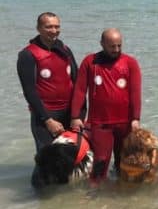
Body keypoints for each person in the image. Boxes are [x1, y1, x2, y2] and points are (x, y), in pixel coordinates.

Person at [17, 13, 81, 185]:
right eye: (49, 27)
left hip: (68, 114)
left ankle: (63, 204)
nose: (54, 31)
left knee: (67, 161)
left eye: (57, 26)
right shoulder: (27, 55)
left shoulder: (65, 50)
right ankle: (38, 199)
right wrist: (47, 120)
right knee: (45, 162)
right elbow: (29, 92)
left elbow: (78, 83)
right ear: (38, 28)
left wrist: (78, 115)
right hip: (45, 116)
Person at [70, 28, 142, 181]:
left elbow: (135, 92)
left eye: (119, 46)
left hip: (125, 122)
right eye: (112, 46)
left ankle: (120, 194)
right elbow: (80, 90)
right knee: (101, 161)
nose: (116, 50)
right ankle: (95, 194)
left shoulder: (130, 63)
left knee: (124, 162)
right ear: (102, 44)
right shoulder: (90, 62)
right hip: (100, 123)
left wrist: (135, 118)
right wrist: (75, 116)